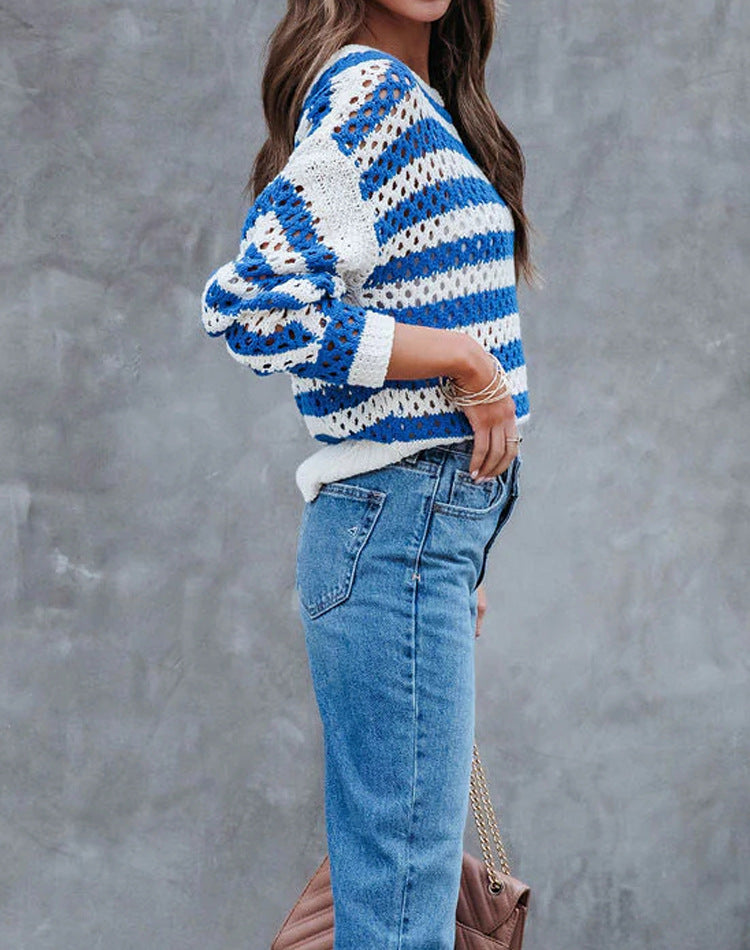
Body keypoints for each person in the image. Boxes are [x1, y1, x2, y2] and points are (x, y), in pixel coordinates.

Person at [200, 1, 536, 945]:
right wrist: (462, 361)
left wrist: (459, 554)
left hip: (420, 539)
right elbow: (256, 309)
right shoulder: (370, 91)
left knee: (398, 904)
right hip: (399, 532)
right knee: (400, 918)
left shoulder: (425, 102)